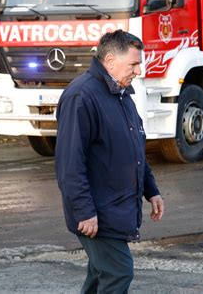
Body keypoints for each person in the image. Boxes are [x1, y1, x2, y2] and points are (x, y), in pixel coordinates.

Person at [55, 29, 165, 293]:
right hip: (97, 212)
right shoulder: (82, 96)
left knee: (100, 275)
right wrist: (84, 211)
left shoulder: (122, 94)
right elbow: (70, 163)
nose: (138, 71)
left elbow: (135, 147)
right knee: (118, 273)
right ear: (111, 61)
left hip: (115, 207)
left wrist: (151, 190)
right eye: (134, 64)